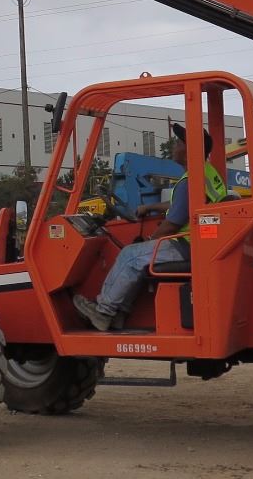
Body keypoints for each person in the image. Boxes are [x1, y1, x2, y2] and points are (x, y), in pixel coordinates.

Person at [73, 122, 228, 331]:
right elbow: (184, 205)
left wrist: (151, 239)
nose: (174, 146)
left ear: (189, 150)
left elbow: (172, 224)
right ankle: (119, 315)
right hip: (202, 244)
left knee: (130, 255)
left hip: (187, 246)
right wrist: (150, 207)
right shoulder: (208, 174)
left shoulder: (191, 181)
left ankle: (103, 312)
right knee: (138, 256)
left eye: (179, 142)